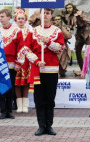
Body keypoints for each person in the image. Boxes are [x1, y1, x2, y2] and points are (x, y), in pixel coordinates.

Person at [16, 8, 64, 136]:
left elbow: (60, 49)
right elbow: (27, 50)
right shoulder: (34, 31)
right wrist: (37, 61)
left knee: (50, 99)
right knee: (39, 99)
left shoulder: (57, 31)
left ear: (51, 16)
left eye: (48, 13)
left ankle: (49, 125)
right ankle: (41, 125)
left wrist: (48, 41)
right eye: (44, 13)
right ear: (40, 15)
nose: (46, 16)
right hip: (38, 70)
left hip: (52, 70)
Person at [63, 3, 90, 76]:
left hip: (86, 31)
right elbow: (70, 26)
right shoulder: (70, 17)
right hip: (79, 34)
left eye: (70, 7)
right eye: (67, 8)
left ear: (73, 7)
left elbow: (88, 21)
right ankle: (83, 70)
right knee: (77, 52)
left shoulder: (79, 13)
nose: (68, 9)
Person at [0, 9, 22, 119]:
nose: (0, 18)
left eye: (2, 16)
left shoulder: (16, 31)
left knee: (10, 87)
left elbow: (21, 48)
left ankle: (9, 110)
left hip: (11, 64)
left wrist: (18, 62)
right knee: (0, 87)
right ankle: (3, 110)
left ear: (9, 17)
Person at [14, 9, 32, 113]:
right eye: (18, 18)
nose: (20, 20)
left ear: (25, 19)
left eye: (22, 18)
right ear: (15, 20)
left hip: (27, 60)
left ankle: (25, 105)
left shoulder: (30, 29)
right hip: (16, 59)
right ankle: (19, 105)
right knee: (17, 82)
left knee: (25, 82)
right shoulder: (13, 30)